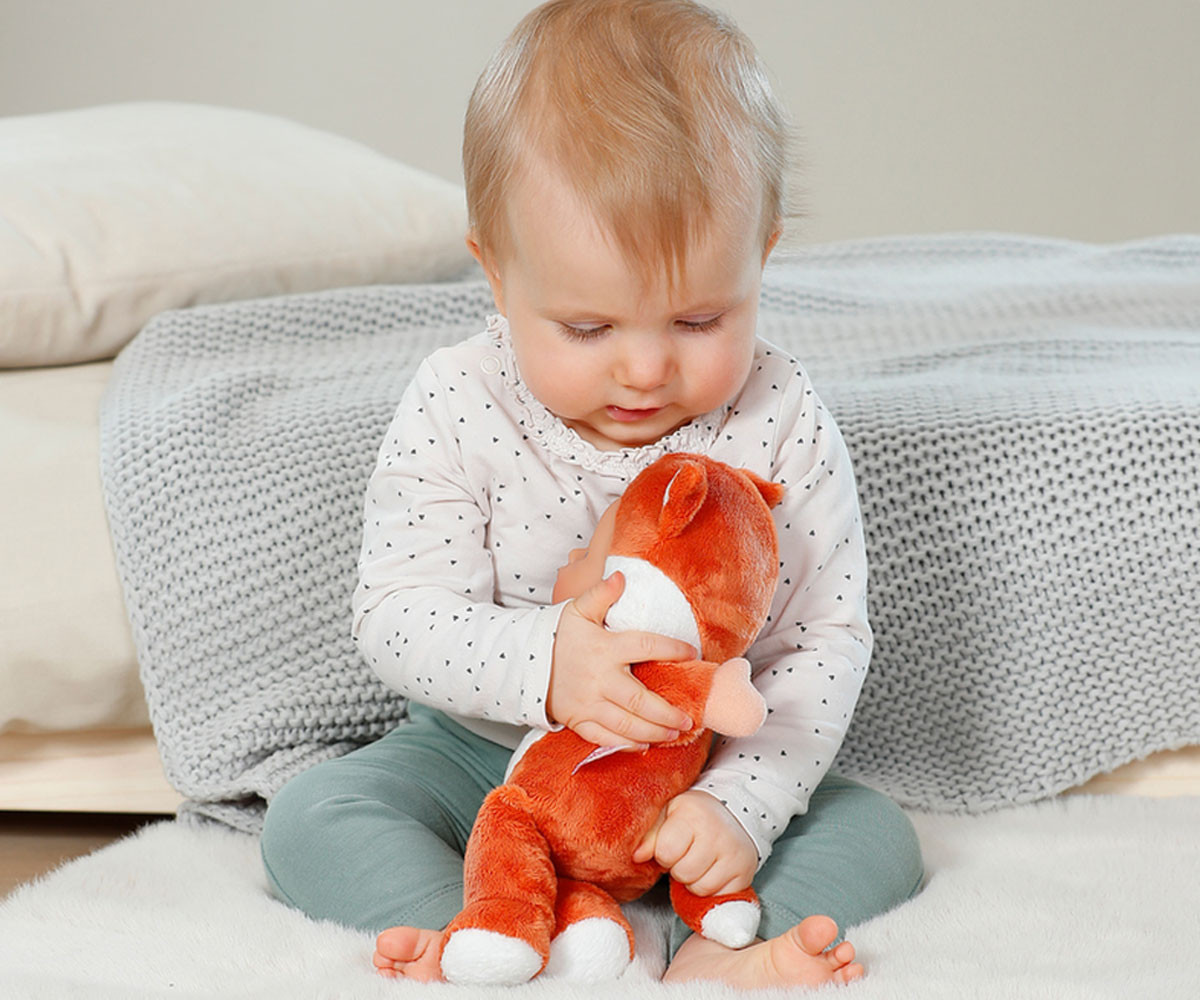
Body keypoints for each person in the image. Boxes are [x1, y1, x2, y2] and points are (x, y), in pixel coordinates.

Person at [259, 0, 922, 989]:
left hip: (698, 764)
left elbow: (821, 642)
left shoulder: (782, 413)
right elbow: (396, 613)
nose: (645, 369)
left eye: (699, 319)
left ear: (763, 257)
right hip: (490, 760)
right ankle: (498, 924)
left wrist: (738, 809)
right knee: (313, 818)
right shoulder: (459, 398)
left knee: (876, 834)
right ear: (497, 275)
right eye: (586, 328)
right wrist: (545, 665)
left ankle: (716, 951)